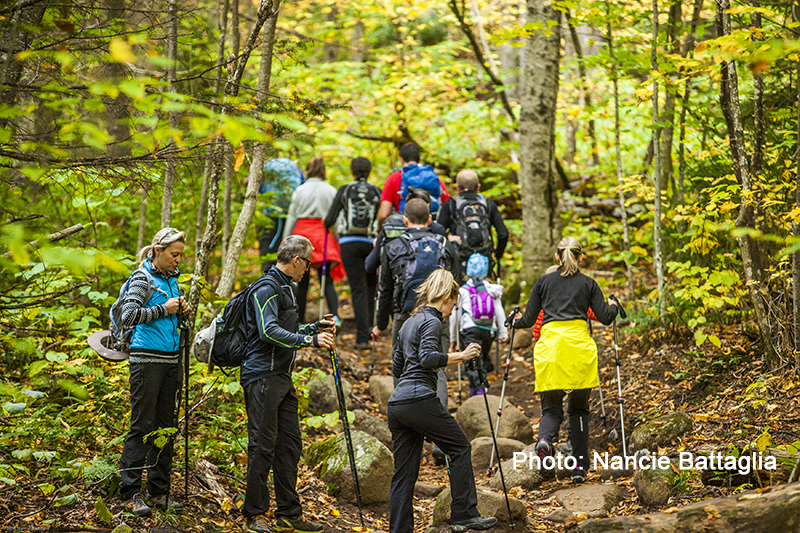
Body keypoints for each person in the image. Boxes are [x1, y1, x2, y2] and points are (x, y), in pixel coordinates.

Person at [388, 268, 498, 533]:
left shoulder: (408, 322)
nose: (451, 312)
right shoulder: (433, 321)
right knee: (460, 448)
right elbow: (426, 358)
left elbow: (397, 365)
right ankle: (464, 514)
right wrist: (462, 355)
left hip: (398, 403)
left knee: (404, 475)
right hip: (418, 398)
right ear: (447, 297)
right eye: (453, 305)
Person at [240, 235, 337, 533]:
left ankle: (289, 513)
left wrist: (313, 327)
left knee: (290, 446)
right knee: (262, 446)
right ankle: (254, 514)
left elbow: (286, 329)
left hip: (280, 377)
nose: (309, 268)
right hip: (262, 376)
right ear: (296, 260)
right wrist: (310, 340)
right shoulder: (267, 287)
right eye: (307, 262)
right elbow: (268, 331)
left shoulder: (286, 287)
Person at [511, 237, 619, 483]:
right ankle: (579, 468)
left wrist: (513, 321)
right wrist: (613, 305)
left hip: (550, 349)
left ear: (557, 257)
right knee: (579, 410)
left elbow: (528, 320)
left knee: (551, 408)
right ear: (580, 257)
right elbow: (605, 317)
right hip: (579, 349)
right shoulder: (589, 283)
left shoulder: (543, 282)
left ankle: (545, 441)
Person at [119, 227, 190, 516]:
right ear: (157, 251)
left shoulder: (173, 280)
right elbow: (129, 316)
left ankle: (159, 492)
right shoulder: (142, 278)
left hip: (171, 360)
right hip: (146, 361)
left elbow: (172, 317)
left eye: (181, 256)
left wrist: (182, 310)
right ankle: (130, 492)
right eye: (174, 255)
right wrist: (164, 309)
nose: (178, 261)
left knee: (167, 428)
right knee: (142, 425)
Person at [323, 157, 381, 348]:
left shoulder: (345, 190)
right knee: (371, 288)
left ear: (352, 171)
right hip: (372, 243)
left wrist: (325, 222)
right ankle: (372, 331)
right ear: (370, 171)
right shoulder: (376, 191)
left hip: (349, 244)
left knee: (358, 290)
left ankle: (362, 338)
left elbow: (329, 220)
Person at [283, 156, 345, 325]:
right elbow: (336, 219)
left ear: (308, 170)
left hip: (301, 234)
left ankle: (298, 319)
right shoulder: (331, 190)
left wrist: (285, 240)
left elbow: (291, 216)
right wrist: (337, 239)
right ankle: (335, 316)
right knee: (326, 279)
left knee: (300, 281)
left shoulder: (300, 190)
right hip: (322, 235)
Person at [449, 253, 508, 396]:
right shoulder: (491, 289)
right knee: (481, 356)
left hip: (469, 328)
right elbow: (499, 311)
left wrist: (453, 339)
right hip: (489, 329)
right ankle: (479, 386)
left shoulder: (462, 290)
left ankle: (480, 389)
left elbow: (455, 316)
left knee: (472, 359)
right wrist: (503, 332)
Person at [437, 169, 508, 278]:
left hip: (460, 260)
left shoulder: (451, 204)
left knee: (461, 293)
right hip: (484, 259)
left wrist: (449, 239)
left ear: (457, 187)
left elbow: (438, 232)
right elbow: (503, 233)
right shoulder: (488, 203)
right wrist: (498, 253)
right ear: (478, 187)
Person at [365, 187, 450, 276]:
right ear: (428, 206)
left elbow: (370, 265)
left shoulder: (391, 226)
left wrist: (379, 248)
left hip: (398, 285)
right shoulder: (437, 230)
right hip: (431, 285)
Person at [376, 142, 451, 228]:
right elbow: (447, 206)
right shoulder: (434, 178)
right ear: (419, 159)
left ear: (401, 159)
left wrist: (380, 231)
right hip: (431, 230)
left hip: (404, 230)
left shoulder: (394, 178)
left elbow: (384, 214)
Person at [258, 158, 305, 271]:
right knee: (288, 259)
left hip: (270, 218)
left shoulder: (265, 169)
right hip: (291, 219)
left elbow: (258, 190)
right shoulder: (294, 169)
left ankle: (267, 284)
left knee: (267, 259)